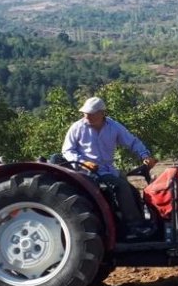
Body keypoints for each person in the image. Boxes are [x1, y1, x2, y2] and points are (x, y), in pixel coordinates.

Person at [62, 96, 158, 239]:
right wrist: (83, 162)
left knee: (133, 191)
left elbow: (132, 142)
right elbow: (67, 150)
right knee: (121, 186)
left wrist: (145, 155)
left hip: (108, 169)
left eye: (90, 113)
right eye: (85, 113)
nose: (86, 115)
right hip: (86, 172)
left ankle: (143, 221)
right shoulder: (77, 127)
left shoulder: (113, 126)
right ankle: (134, 227)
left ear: (102, 113)